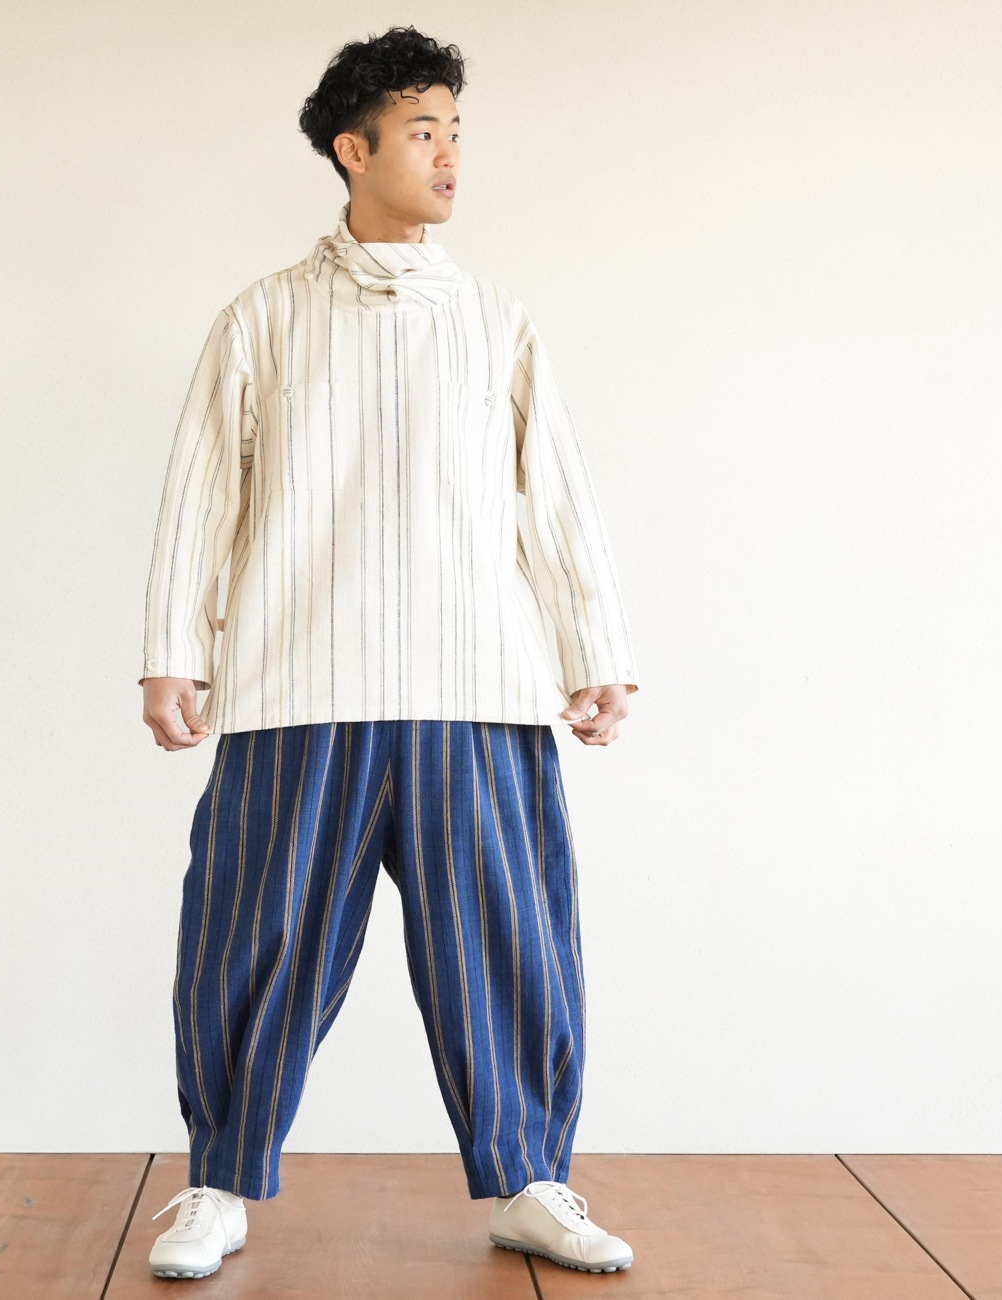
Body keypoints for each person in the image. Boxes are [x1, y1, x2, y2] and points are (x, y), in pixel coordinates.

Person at [138, 25, 641, 1282]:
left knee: (508, 944)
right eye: (424, 131)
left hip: (477, 686)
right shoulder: (263, 318)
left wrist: (595, 648)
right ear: (352, 150)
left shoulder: (495, 319)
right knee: (251, 938)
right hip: (297, 681)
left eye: (456, 131)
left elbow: (555, 495)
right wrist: (170, 651)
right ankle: (217, 1180)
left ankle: (530, 1179)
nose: (450, 155)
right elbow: (200, 491)